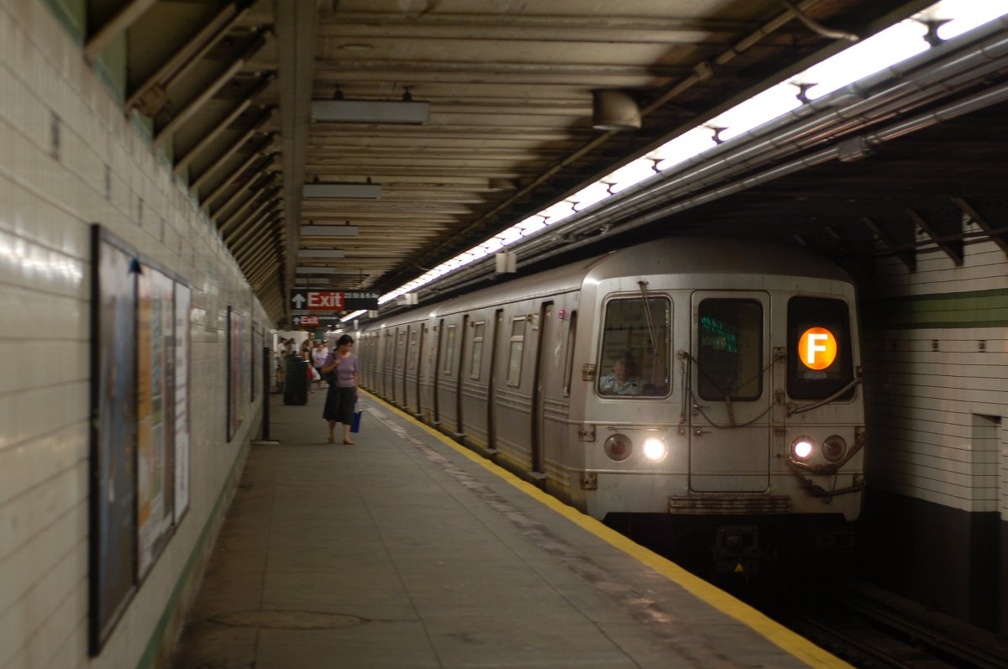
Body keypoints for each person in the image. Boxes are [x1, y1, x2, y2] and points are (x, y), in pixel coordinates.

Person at [321, 334, 360, 444]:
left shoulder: (353, 358)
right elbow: (324, 371)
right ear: (340, 345)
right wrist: (334, 365)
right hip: (336, 388)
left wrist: (357, 389)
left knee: (348, 413)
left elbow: (356, 374)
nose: (347, 348)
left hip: (349, 388)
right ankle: (331, 434)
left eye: (349, 346)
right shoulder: (332, 356)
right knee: (333, 412)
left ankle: (346, 437)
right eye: (346, 346)